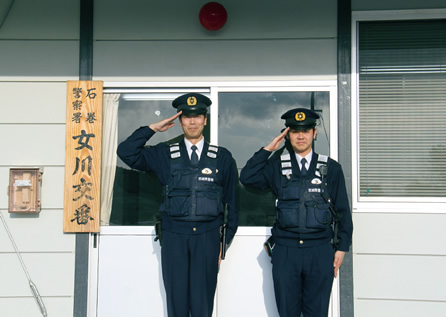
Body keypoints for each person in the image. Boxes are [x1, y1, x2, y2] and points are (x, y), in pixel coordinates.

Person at [117, 93, 238, 317]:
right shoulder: (163, 154)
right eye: (187, 117)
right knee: (177, 303)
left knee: (202, 304)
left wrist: (224, 242)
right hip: (174, 236)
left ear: (205, 120)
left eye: (197, 116)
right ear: (180, 121)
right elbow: (126, 152)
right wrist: (152, 129)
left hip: (208, 237)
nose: (192, 122)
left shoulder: (222, 157)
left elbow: (232, 204)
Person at [240, 108, 353, 317]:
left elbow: (343, 211)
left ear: (314, 133)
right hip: (286, 251)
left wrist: (342, 247)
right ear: (287, 134)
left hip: (319, 251)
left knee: (317, 313)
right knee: (287, 312)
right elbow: (247, 177)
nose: (301, 136)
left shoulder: (331, 168)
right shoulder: (277, 166)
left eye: (306, 130)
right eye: (294, 131)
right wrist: (268, 149)